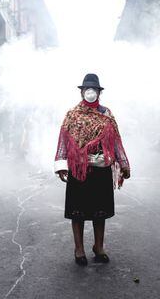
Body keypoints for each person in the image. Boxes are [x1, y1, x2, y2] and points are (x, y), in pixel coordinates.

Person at [54, 73, 130, 266]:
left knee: (100, 212)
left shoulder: (106, 114)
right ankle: (79, 249)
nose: (90, 92)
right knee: (77, 211)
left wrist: (123, 163)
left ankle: (99, 247)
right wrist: (62, 165)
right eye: (87, 89)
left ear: (98, 92)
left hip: (101, 168)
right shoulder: (72, 115)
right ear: (81, 92)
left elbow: (115, 141)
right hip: (78, 169)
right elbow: (63, 140)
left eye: (94, 89)